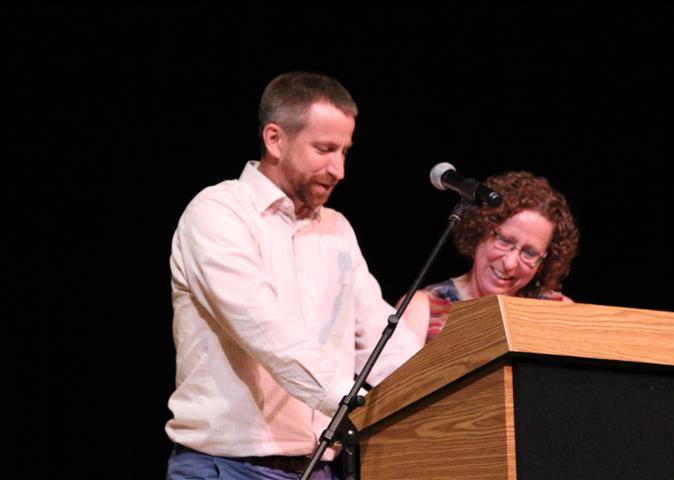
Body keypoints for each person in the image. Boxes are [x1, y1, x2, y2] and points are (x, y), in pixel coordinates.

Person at [164, 72, 422, 480]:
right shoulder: (218, 212)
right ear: (274, 139)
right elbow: (268, 332)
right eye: (324, 149)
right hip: (227, 468)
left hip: (322, 468)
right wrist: (355, 404)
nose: (338, 169)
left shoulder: (337, 229)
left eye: (344, 151)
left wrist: (435, 389)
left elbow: (376, 333)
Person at [404, 171, 580, 344]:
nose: (510, 263)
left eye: (529, 253)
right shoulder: (423, 308)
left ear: (543, 263)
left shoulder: (559, 312)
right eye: (504, 240)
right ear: (481, 229)